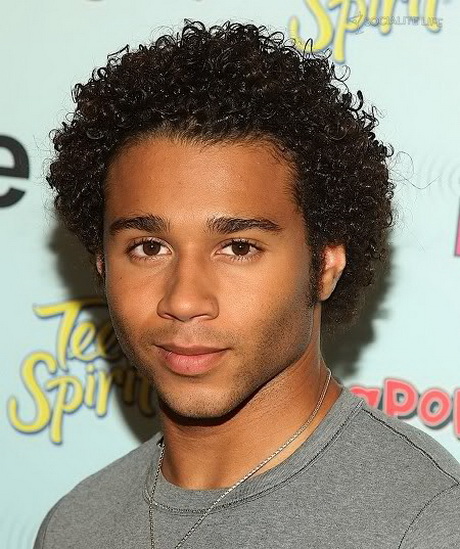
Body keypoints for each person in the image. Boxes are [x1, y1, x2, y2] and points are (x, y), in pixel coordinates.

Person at [34, 20, 459, 549]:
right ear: (102, 264)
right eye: (149, 247)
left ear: (325, 265)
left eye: (238, 248)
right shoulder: (75, 524)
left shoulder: (428, 523)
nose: (184, 300)